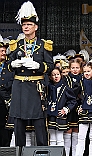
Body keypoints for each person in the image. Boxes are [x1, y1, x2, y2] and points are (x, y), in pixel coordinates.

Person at [8, 1, 53, 147]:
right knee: (18, 123)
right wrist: (13, 64)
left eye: (29, 25)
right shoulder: (16, 45)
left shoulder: (43, 45)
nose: (26, 27)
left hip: (35, 87)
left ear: (36, 27)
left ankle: (43, 154)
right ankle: (19, 155)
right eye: (24, 25)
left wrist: (38, 66)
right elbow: (8, 66)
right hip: (19, 86)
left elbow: (50, 67)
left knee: (39, 122)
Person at [47, 67, 77, 146]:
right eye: (53, 75)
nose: (56, 77)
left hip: (60, 115)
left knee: (60, 138)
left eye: (57, 74)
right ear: (50, 77)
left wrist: (66, 109)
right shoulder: (48, 88)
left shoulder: (65, 88)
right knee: (52, 138)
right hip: (51, 115)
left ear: (61, 75)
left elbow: (73, 101)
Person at [63, 58, 83, 156]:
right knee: (68, 130)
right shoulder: (65, 79)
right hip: (69, 107)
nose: (75, 70)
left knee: (77, 131)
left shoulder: (83, 78)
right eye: (72, 68)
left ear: (80, 69)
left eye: (77, 68)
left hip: (79, 108)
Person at [0, 35, 14, 147]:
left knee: (6, 126)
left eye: (4, 51)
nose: (3, 53)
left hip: (5, 100)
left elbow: (13, 79)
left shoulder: (10, 65)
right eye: (1, 51)